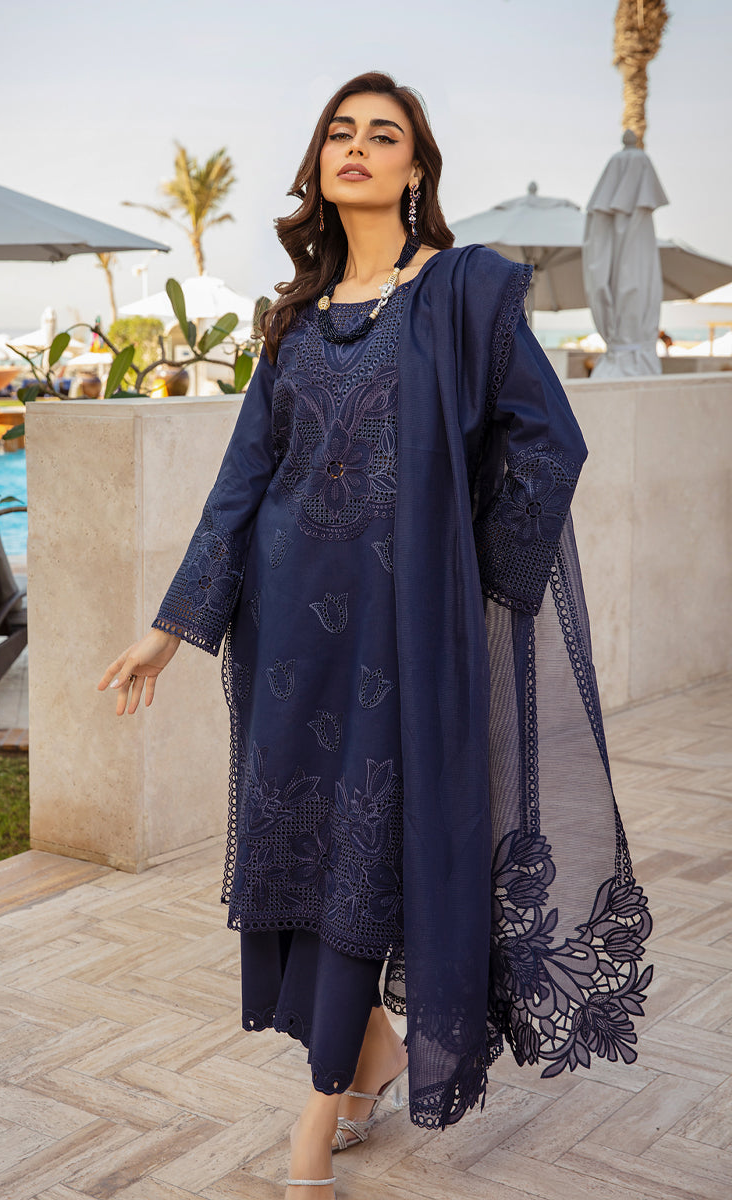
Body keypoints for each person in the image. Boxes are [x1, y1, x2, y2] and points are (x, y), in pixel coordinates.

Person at [98, 72, 653, 1200]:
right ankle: (370, 1060)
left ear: (415, 169)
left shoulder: (464, 291)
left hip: (401, 643)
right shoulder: (294, 318)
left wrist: (466, 583)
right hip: (286, 643)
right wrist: (170, 629)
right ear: (318, 165)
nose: (356, 145)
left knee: (362, 859)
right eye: (339, 132)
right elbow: (241, 481)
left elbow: (550, 445)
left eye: (382, 134)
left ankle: (314, 1123)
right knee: (302, 857)